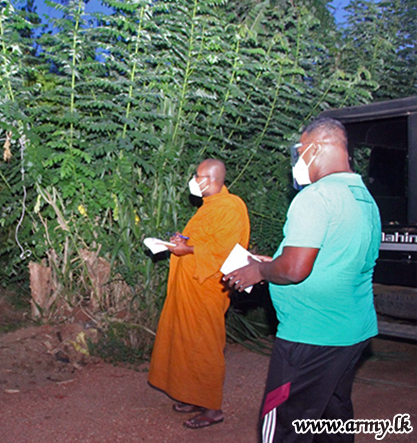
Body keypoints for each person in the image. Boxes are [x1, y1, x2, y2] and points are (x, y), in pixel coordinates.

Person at [223, 117, 380, 442]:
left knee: (284, 426)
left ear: (318, 148)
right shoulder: (363, 196)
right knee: (331, 418)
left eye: (301, 149)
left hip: (311, 336)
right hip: (351, 331)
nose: (296, 159)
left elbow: (295, 270)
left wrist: (259, 271)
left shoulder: (316, 196)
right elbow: (337, 257)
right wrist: (273, 262)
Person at [148, 159, 250, 429]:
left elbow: (225, 250)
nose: (193, 180)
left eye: (197, 176)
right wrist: (183, 241)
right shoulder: (210, 205)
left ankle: (212, 408)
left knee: (205, 345)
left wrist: (189, 250)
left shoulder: (230, 207)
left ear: (212, 179)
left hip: (207, 286)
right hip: (190, 285)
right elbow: (206, 240)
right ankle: (194, 397)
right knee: (186, 341)